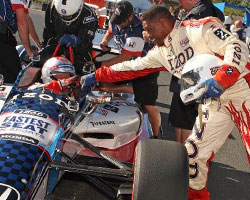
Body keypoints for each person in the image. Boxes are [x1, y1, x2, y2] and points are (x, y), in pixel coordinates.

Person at [68, 6, 248, 199]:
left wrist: (222, 78)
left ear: (162, 22)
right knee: (192, 156)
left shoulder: (199, 28)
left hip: (242, 89)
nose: (147, 34)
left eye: (149, 28)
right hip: (213, 102)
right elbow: (131, 67)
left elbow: (236, 45)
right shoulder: (160, 52)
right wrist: (95, 75)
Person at [95, 1, 161, 138]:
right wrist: (105, 41)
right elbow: (111, 30)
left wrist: (100, 65)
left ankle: (156, 135)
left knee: (146, 102)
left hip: (146, 67)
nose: (118, 24)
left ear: (130, 17)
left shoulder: (138, 30)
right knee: (106, 88)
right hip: (128, 64)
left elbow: (125, 57)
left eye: (121, 22)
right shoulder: (117, 20)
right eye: (116, 20)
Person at [168, 0, 225, 143]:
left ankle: (185, 160)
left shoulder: (202, 13)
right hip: (188, 72)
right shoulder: (198, 11)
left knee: (186, 119)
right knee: (180, 119)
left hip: (195, 74)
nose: (180, 4)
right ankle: (179, 156)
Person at [43, 0, 98, 75]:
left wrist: (76, 40)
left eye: (69, 16)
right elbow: (48, 33)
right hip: (54, 49)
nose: (66, 18)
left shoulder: (89, 15)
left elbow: (86, 43)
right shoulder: (52, 7)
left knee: (84, 74)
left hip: (78, 54)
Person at [0, 0, 41, 83]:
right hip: (3, 39)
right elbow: (22, 22)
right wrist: (29, 51)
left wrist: (38, 43)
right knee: (12, 79)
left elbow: (26, 19)